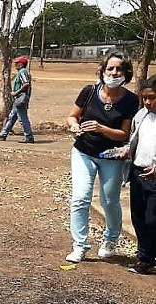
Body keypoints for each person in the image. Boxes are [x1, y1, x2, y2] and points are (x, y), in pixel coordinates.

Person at [64, 52, 139, 263]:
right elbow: (72, 115)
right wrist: (74, 126)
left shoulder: (131, 100)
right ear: (103, 71)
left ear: (126, 73)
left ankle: (110, 239)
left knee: (109, 200)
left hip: (112, 156)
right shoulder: (89, 91)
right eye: (110, 68)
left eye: (119, 69)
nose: (114, 73)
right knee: (80, 198)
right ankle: (80, 245)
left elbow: (124, 134)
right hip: (83, 151)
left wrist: (101, 128)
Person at [126, 75, 156, 274]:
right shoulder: (141, 115)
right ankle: (144, 258)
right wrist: (125, 151)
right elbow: (134, 141)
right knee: (138, 216)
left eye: (152, 97)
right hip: (138, 172)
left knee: (152, 218)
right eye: (144, 97)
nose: (147, 102)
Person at [0, 56, 34, 143]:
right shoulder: (22, 72)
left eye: (17, 63)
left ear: (21, 64)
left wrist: (15, 93)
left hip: (20, 98)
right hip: (19, 99)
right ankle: (3, 134)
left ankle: (29, 136)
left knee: (23, 118)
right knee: (12, 117)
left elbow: (26, 84)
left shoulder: (22, 72)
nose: (15, 65)